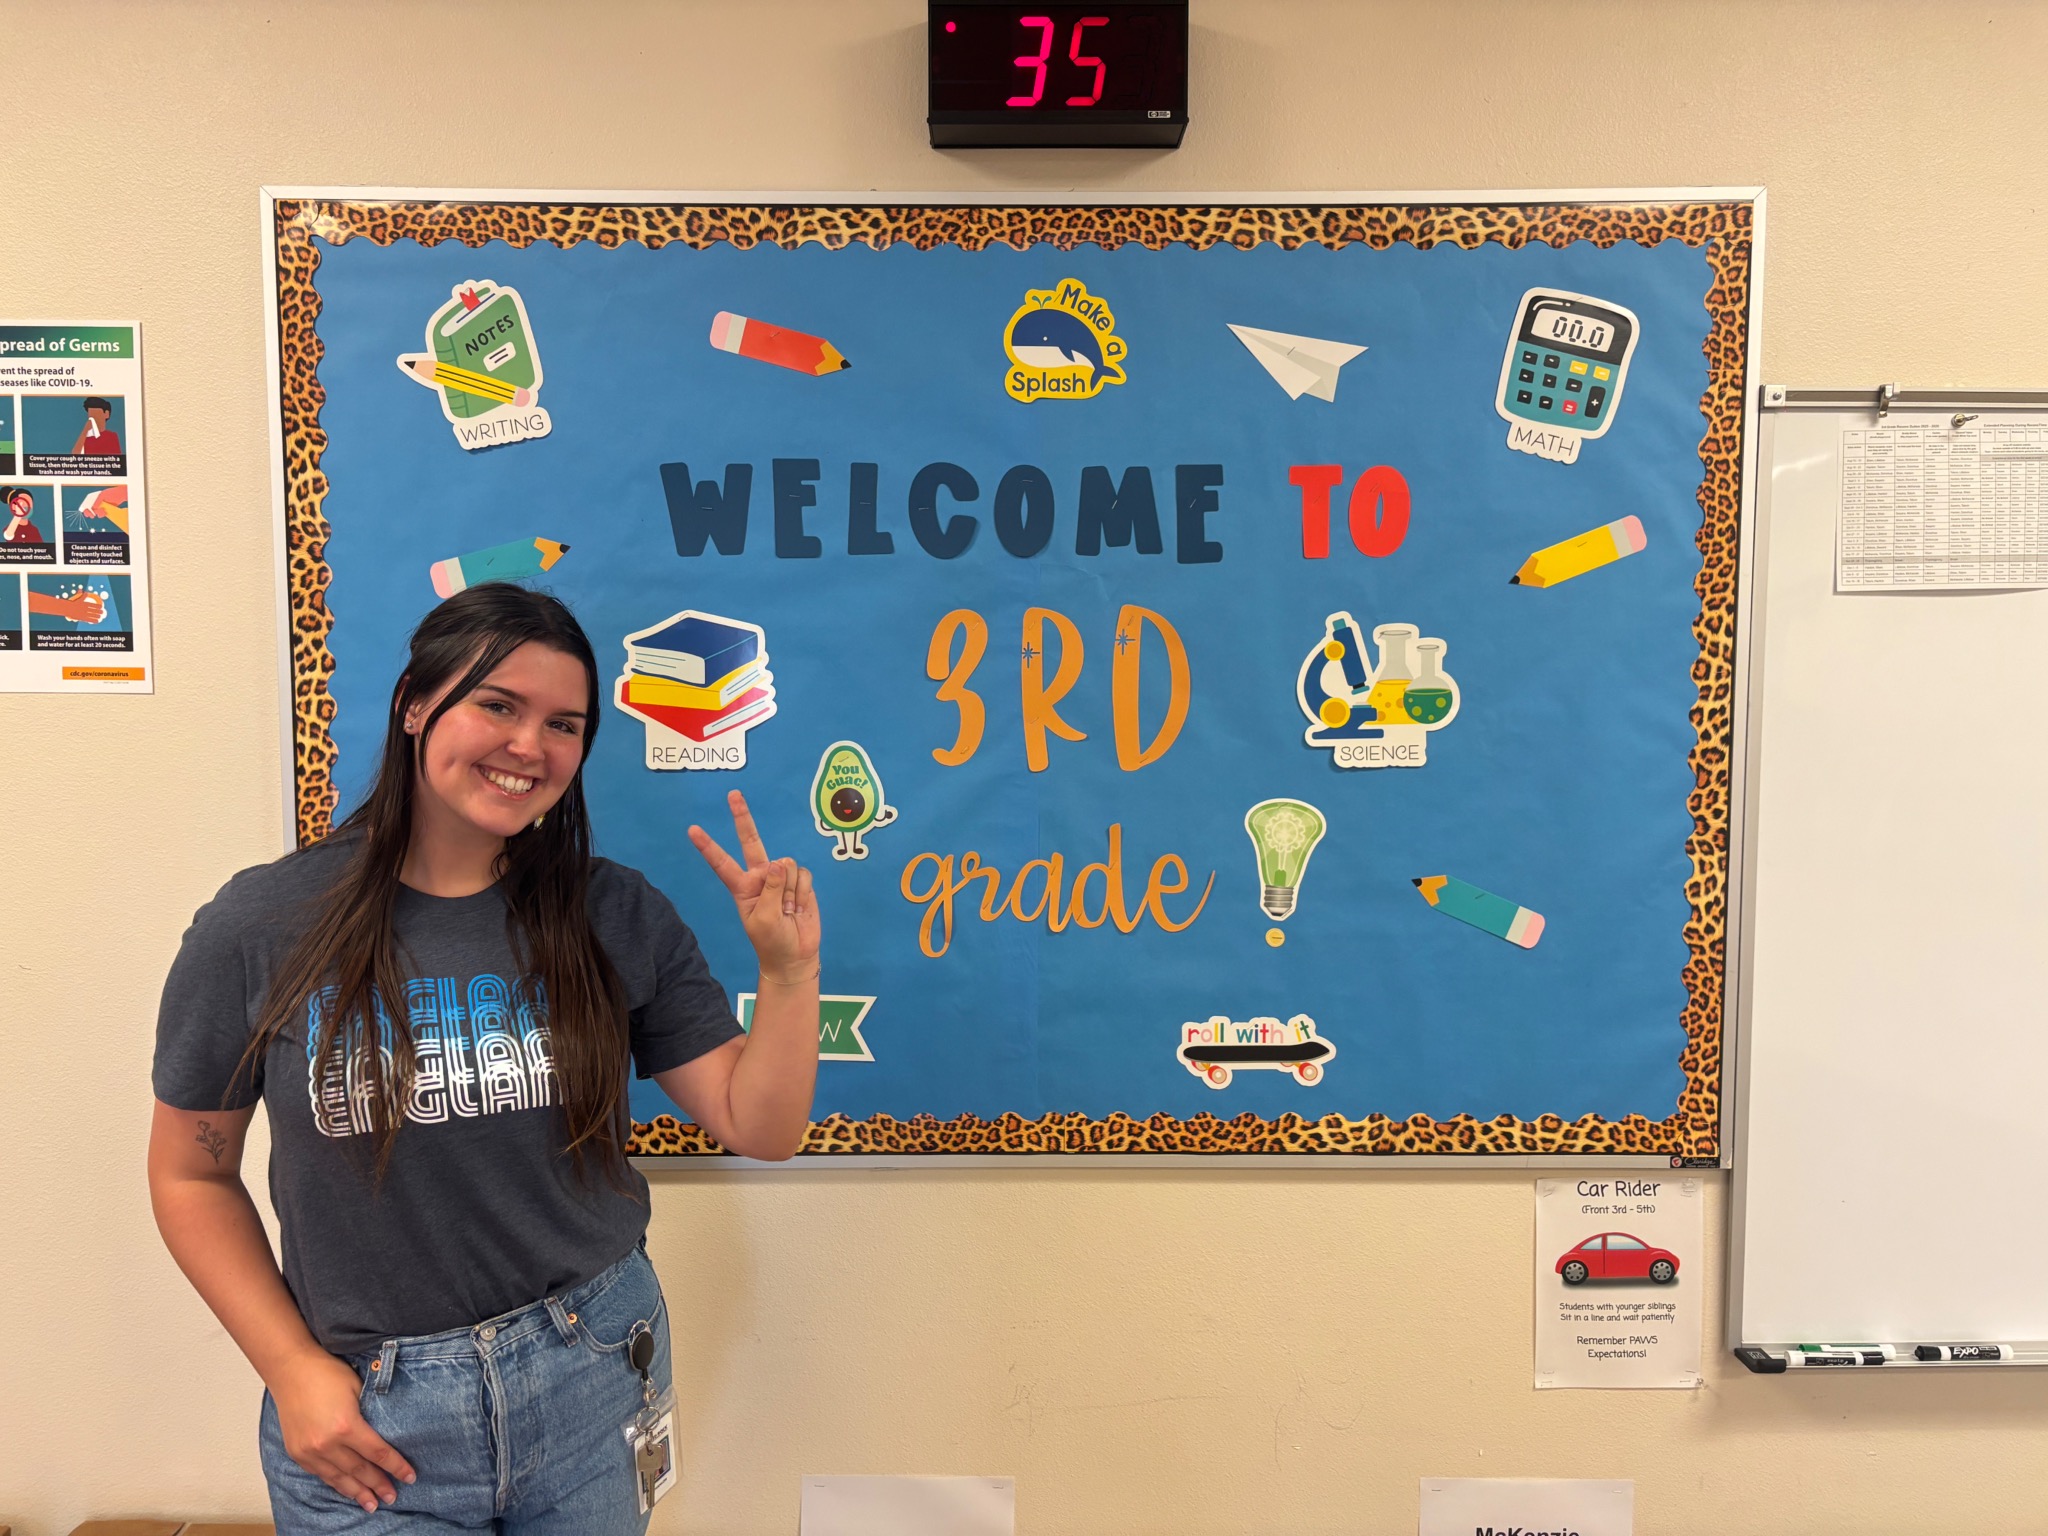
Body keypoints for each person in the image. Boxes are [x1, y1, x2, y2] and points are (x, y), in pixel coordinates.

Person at [147, 584, 820, 1534]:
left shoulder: (615, 913)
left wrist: (790, 974)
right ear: (415, 705)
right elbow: (190, 1174)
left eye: (564, 725)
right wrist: (290, 1369)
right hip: (373, 1412)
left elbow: (761, 1125)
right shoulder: (262, 926)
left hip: (593, 1366)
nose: (529, 746)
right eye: (498, 705)